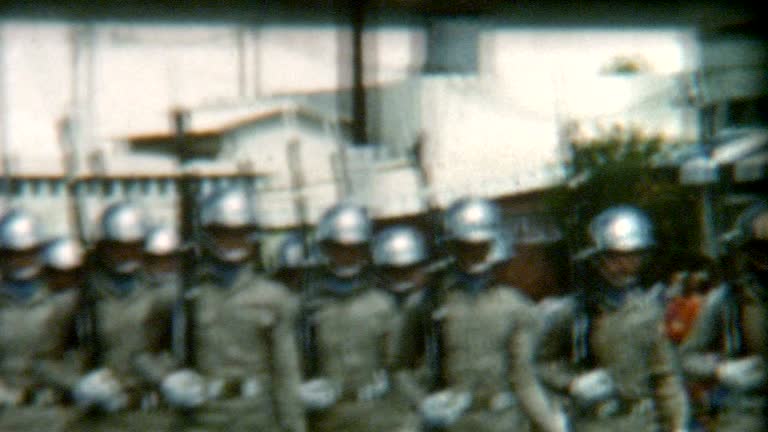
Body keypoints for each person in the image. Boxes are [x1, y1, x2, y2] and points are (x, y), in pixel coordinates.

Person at [535, 205, 690, 432]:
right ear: (597, 259)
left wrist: (678, 425)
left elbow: (665, 376)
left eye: (634, 257)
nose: (625, 266)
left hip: (644, 423)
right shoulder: (572, 312)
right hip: (594, 423)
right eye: (615, 258)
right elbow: (538, 364)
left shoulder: (649, 310)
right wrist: (571, 383)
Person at [173, 187, 306, 432]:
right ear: (208, 236)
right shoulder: (190, 295)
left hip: (257, 416)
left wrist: (294, 425)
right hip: (203, 418)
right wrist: (167, 380)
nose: (232, 241)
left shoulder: (275, 296)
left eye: (240, 233)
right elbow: (167, 352)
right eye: (223, 233)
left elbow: (286, 370)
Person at [418, 197, 531, 432]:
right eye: (465, 247)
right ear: (452, 247)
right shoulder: (431, 302)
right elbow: (403, 366)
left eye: (481, 246)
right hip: (454, 422)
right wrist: (424, 403)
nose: (474, 254)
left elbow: (526, 376)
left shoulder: (514, 303)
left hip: (505, 421)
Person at [299, 203, 412, 432]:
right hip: (329, 418)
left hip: (377, 416)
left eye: (355, 248)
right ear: (325, 249)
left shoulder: (383, 304)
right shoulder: (309, 307)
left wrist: (405, 420)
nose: (347, 255)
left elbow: (398, 369)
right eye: (338, 248)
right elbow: (295, 366)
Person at [65, 202, 176, 431]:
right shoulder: (82, 300)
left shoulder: (164, 297)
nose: (125, 254)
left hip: (154, 417)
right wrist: (78, 382)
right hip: (100, 418)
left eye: (133, 246)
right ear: (103, 248)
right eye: (117, 247)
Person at [680, 200, 768, 431]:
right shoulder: (727, 299)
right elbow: (687, 359)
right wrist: (720, 371)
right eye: (761, 250)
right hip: (746, 410)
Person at [0, 210, 81, 432]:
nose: (20, 260)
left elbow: (79, 354)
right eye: (12, 254)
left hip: (51, 414)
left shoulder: (63, 303)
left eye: (28, 252)